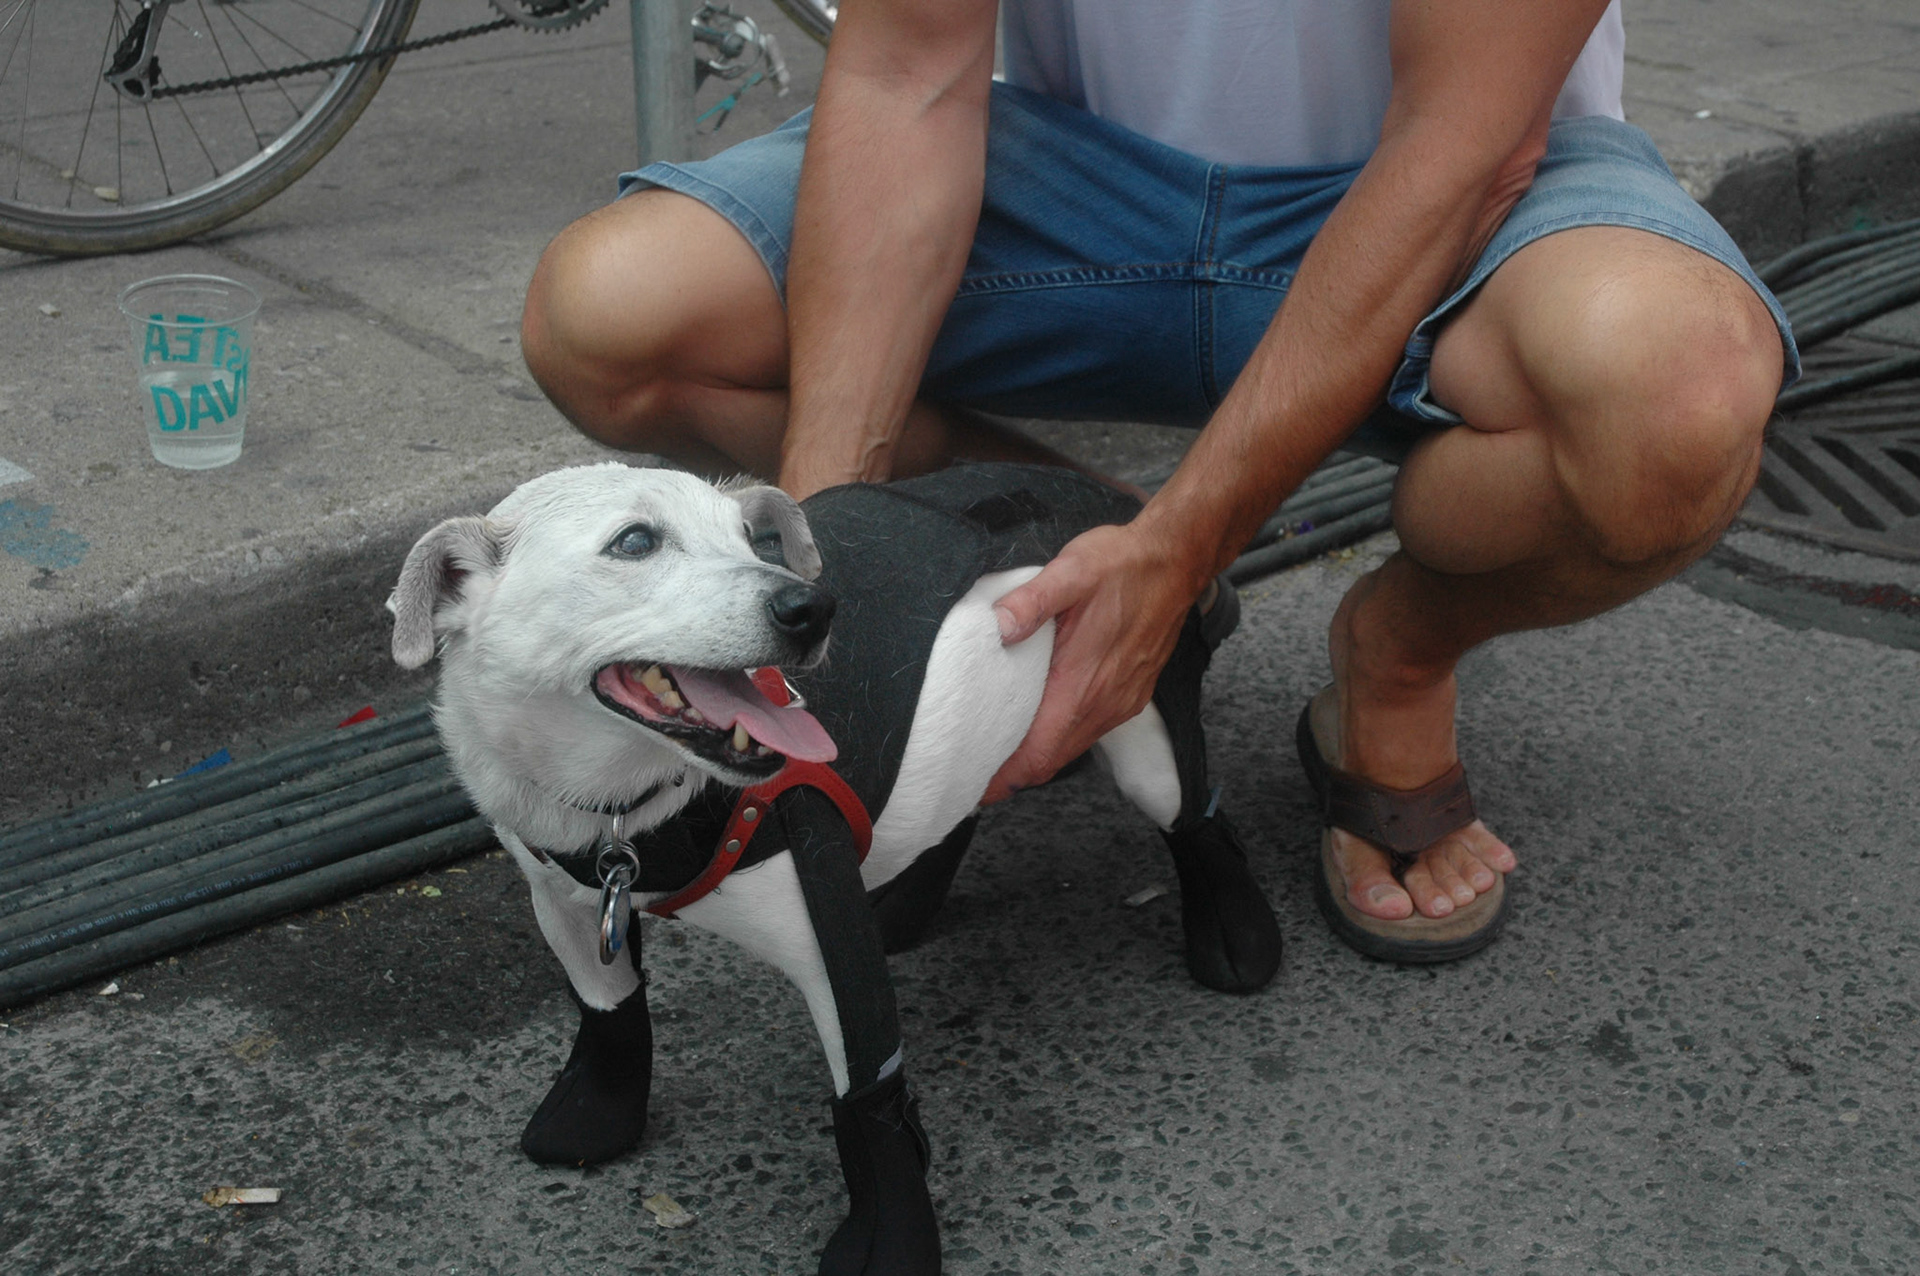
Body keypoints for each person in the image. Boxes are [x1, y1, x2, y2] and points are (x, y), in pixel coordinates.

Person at [519, 0, 1798, 963]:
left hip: (1444, 183)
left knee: (1671, 407)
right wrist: (853, 577)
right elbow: (913, 68)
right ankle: (1049, 559)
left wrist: (1187, 552)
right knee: (616, 319)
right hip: (1087, 178)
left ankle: (1396, 661)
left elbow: (1462, 151)